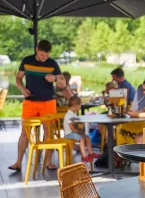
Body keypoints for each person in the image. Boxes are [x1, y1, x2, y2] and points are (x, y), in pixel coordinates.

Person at [8, 40, 66, 171]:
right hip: (30, 102)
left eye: (46, 55)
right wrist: (22, 88)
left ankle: (49, 162)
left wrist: (56, 79)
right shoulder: (26, 61)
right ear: (36, 50)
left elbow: (63, 84)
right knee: (25, 133)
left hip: (48, 102)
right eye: (41, 54)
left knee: (48, 132)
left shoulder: (52, 64)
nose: (44, 57)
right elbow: (18, 78)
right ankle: (18, 163)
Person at [63, 96, 99, 163]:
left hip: (74, 133)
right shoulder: (69, 115)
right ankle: (84, 156)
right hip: (69, 134)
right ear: (76, 106)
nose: (80, 107)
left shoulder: (73, 113)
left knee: (87, 137)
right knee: (82, 138)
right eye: (80, 105)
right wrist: (80, 132)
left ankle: (91, 153)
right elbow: (72, 129)